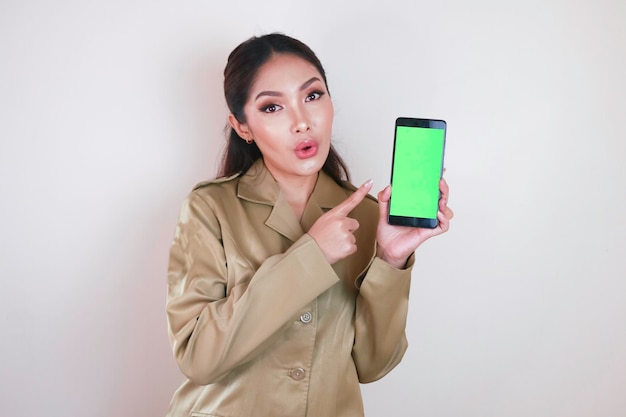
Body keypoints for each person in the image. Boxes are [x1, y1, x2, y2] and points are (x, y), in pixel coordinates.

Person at [165, 33, 453, 417]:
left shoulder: (368, 216)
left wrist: (390, 260)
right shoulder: (210, 208)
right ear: (242, 126)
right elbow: (198, 357)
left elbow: (373, 365)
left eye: (313, 96)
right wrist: (311, 256)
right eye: (272, 107)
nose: (302, 121)